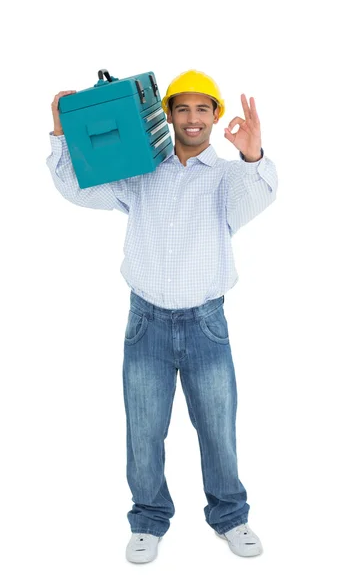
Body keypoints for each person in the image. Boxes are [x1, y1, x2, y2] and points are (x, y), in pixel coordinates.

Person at [46, 69, 278, 564]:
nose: (192, 119)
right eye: (182, 108)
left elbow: (261, 193)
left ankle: (230, 517)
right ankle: (148, 518)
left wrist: (253, 153)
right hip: (146, 322)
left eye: (202, 109)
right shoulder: (139, 170)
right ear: (166, 115)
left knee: (217, 426)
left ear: (215, 116)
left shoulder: (228, 177)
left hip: (206, 325)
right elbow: (79, 190)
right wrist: (62, 134)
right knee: (145, 428)